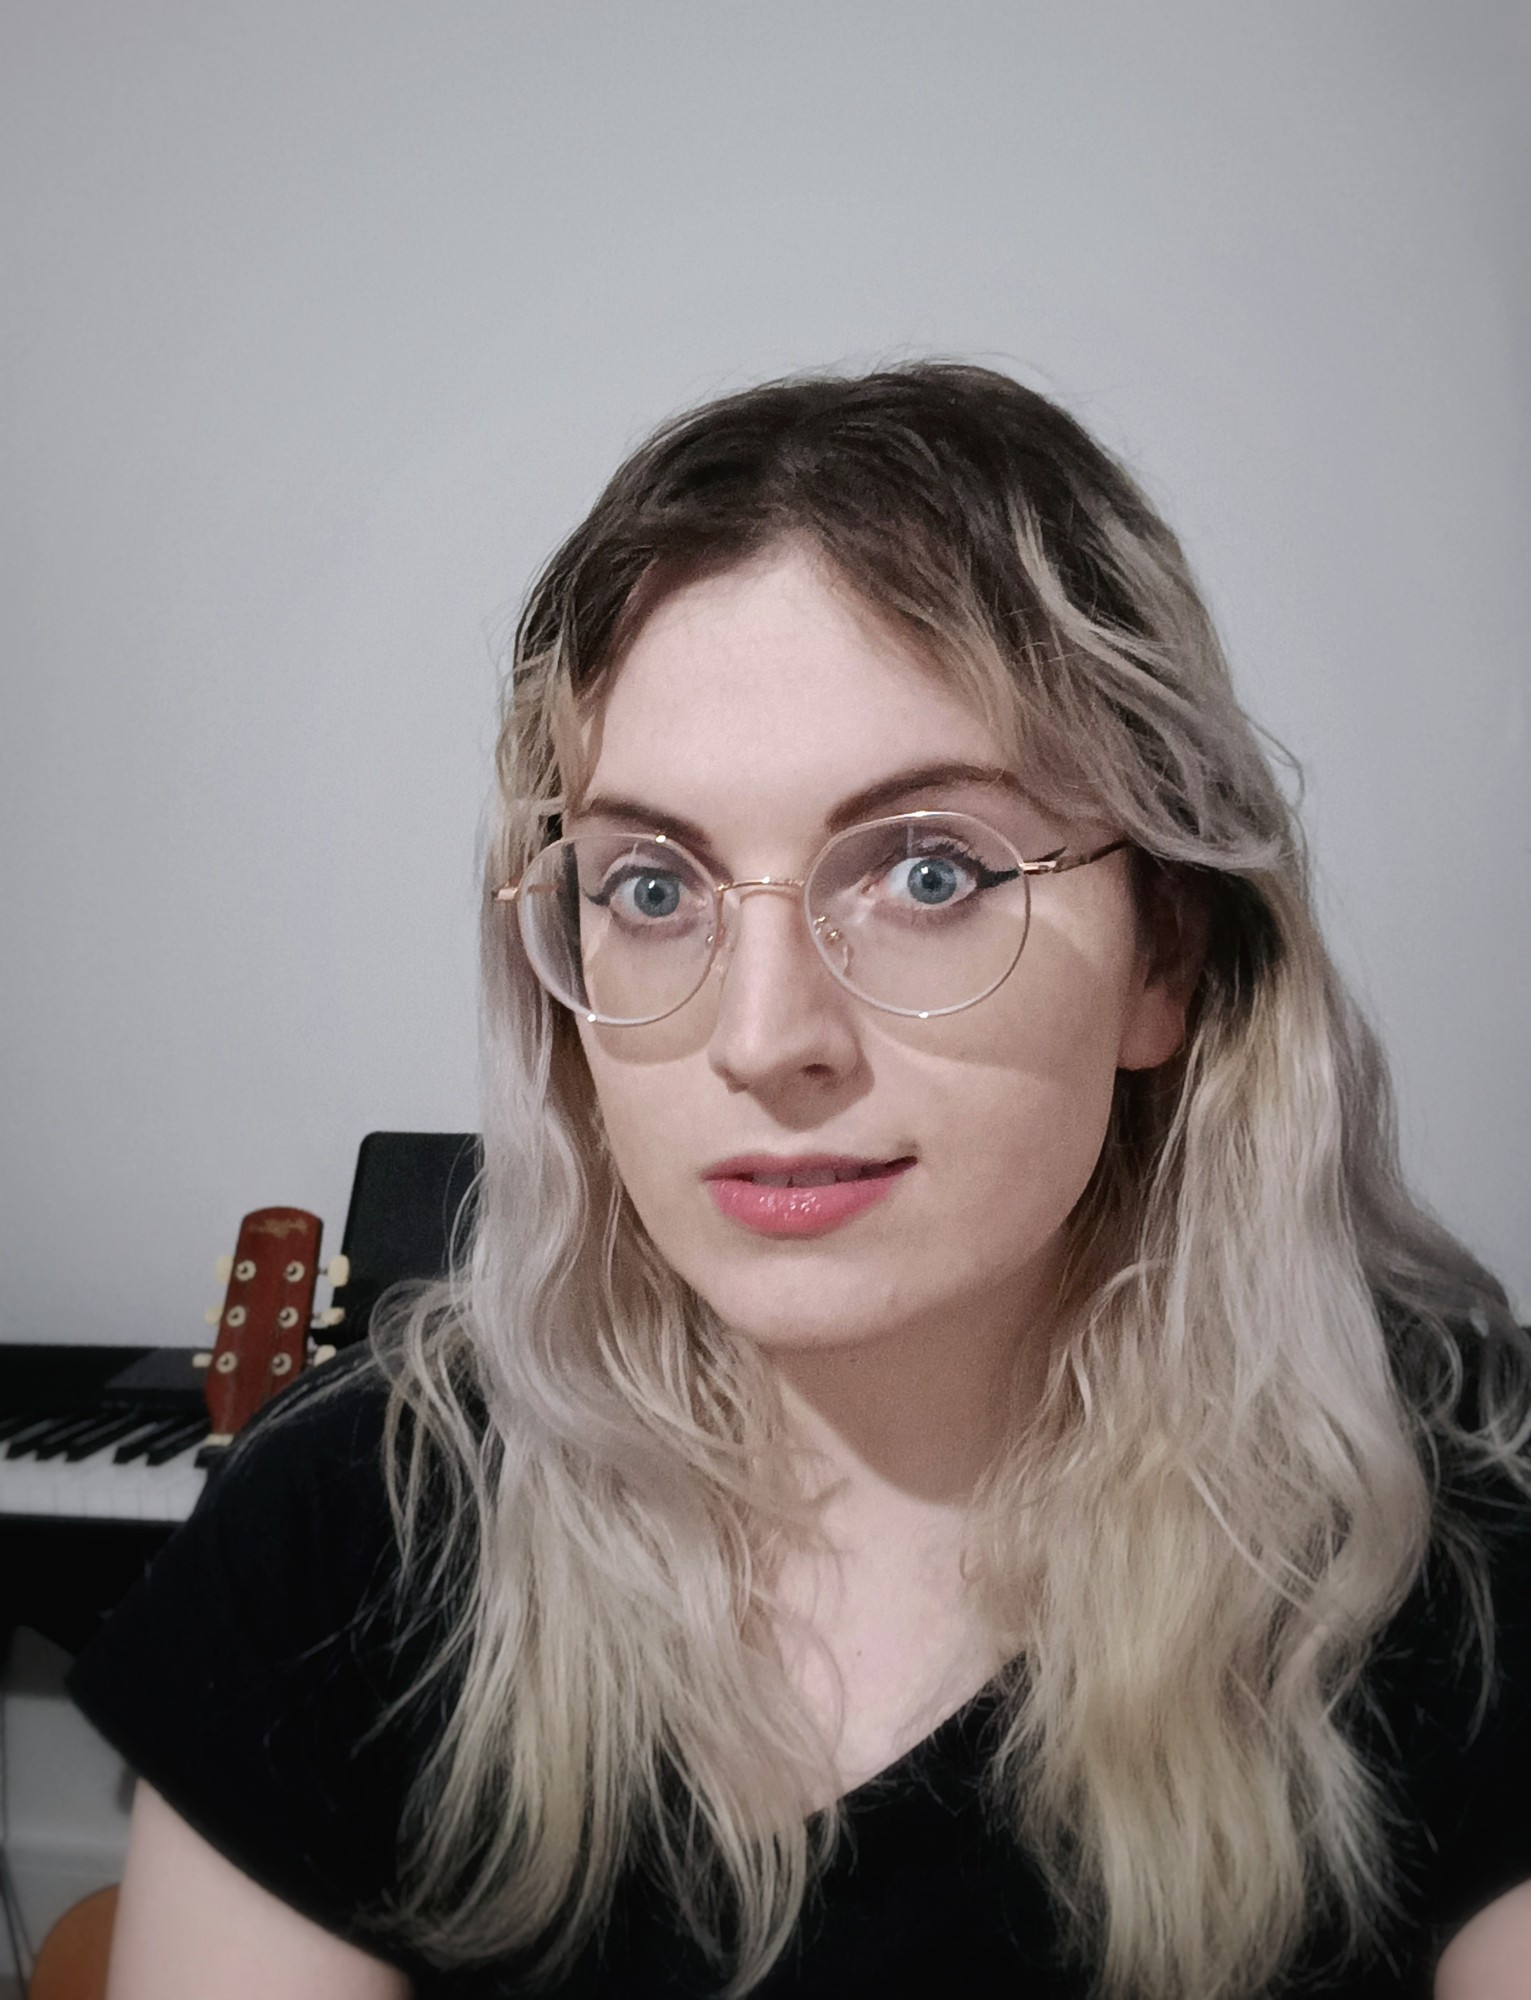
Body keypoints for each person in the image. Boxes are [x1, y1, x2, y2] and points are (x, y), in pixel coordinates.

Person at [71, 363, 1531, 1999]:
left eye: (928, 871)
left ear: (1164, 954)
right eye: (651, 883)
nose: (765, 1039)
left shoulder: (1458, 1543)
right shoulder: (349, 1541)